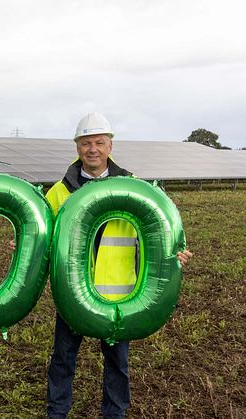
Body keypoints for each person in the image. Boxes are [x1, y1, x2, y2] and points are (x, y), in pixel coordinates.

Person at [45, 112, 193, 419]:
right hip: (72, 296)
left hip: (121, 295)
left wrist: (174, 255)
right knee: (62, 359)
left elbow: (157, 235)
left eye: (99, 142)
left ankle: (115, 413)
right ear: (77, 148)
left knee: (117, 363)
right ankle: (56, 412)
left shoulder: (135, 188)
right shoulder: (59, 192)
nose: (92, 149)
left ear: (110, 146)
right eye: (86, 143)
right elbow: (44, 237)